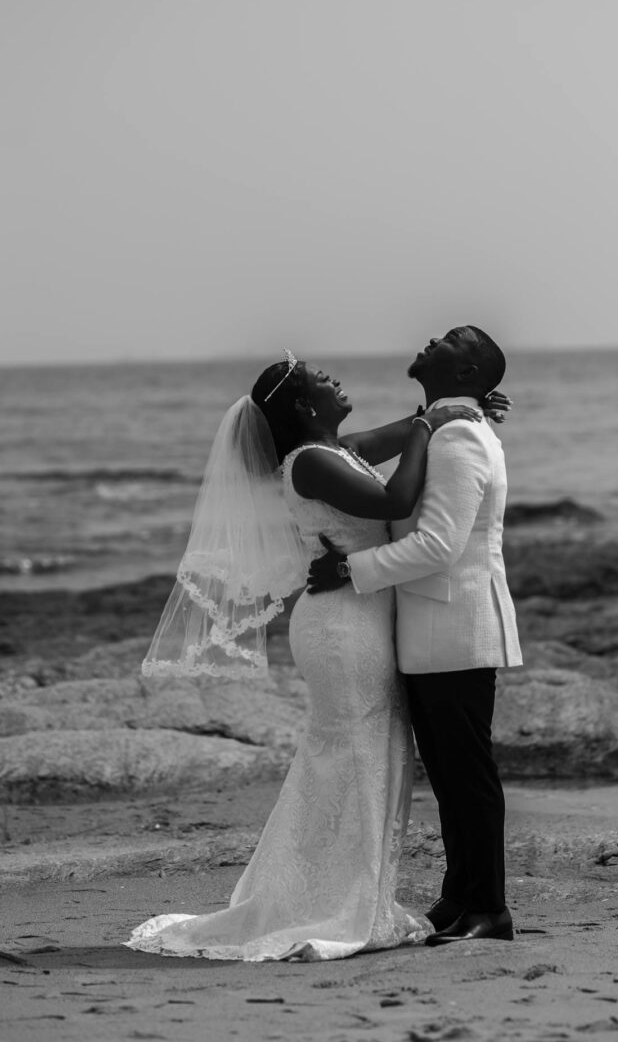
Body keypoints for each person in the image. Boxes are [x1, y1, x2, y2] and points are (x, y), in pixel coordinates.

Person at [125, 350, 505, 963]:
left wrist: (450, 414)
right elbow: (395, 500)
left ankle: (356, 893)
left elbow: (404, 431)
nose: (334, 379)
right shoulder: (313, 464)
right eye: (320, 379)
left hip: (361, 614)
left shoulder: (338, 449)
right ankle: (339, 901)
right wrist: (434, 426)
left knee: (367, 756)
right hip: (341, 626)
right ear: (304, 406)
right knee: (354, 756)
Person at [308, 326, 523, 946]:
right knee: (451, 776)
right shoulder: (448, 424)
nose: (433, 337)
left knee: (467, 777)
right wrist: (430, 417)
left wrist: (352, 570)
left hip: (452, 626)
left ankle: (489, 909)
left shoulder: (458, 437)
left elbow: (438, 545)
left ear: (466, 374)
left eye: (452, 340)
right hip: (433, 627)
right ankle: (459, 898)